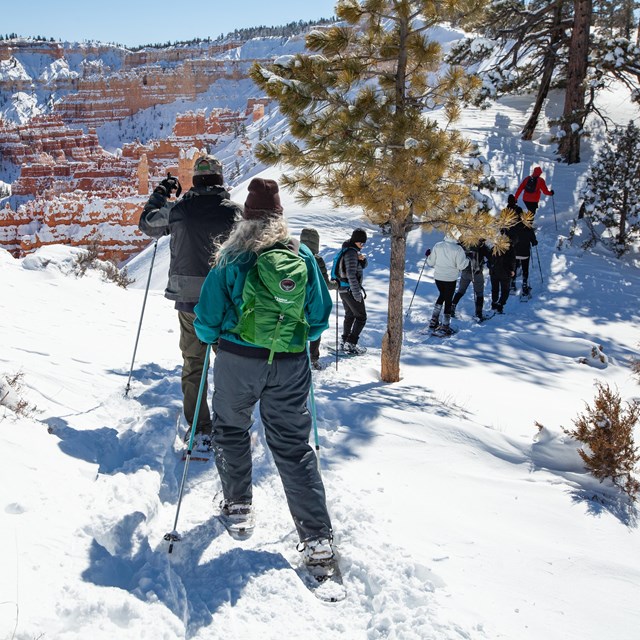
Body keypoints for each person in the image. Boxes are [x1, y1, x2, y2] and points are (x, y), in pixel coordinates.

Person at [193, 178, 336, 573]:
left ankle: (238, 505)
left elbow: (205, 319)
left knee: (231, 428)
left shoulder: (232, 256)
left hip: (238, 359)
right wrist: (293, 340)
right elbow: (319, 317)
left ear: (246, 218)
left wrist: (215, 339)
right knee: (293, 446)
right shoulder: (301, 254)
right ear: (280, 218)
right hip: (290, 364)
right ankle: (317, 540)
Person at [138, 155, 242, 446]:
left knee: (194, 364)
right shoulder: (235, 213)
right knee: (230, 364)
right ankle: (231, 423)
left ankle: (199, 426)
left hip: (189, 302)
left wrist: (161, 192)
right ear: (220, 180)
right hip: (226, 302)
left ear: (194, 180)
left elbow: (147, 223)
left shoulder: (179, 210)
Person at [300, 227, 337, 370]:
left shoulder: (295, 254)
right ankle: (313, 359)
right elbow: (325, 284)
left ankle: (299, 355)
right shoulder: (317, 259)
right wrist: (337, 285)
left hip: (298, 299)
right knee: (315, 327)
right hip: (314, 301)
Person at [426, 235, 469, 334]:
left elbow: (431, 262)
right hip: (450, 279)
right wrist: (467, 260)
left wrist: (428, 255)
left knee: (442, 295)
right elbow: (461, 266)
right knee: (448, 299)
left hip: (438, 278)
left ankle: (434, 320)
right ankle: (445, 325)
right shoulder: (458, 249)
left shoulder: (438, 245)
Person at [336, 228, 369, 354]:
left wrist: (362, 259)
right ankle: (351, 343)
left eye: (364, 243)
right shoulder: (351, 253)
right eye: (361, 242)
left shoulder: (351, 251)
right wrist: (356, 293)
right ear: (355, 241)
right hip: (350, 290)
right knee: (361, 317)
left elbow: (362, 266)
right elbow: (350, 274)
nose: (362, 245)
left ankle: (345, 342)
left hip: (344, 289)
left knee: (350, 315)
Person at [451, 239, 491, 321]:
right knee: (479, 293)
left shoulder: (463, 243)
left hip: (465, 272)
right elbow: (490, 256)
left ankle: (452, 308)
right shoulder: (481, 245)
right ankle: (479, 314)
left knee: (460, 291)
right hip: (477, 273)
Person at [507, 196, 538, 296]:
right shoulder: (528, 227)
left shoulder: (513, 227)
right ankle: (524, 286)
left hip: (515, 253)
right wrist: (533, 241)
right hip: (525, 253)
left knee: (514, 268)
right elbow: (534, 241)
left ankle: (512, 284)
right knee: (525, 269)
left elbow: (508, 236)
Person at [488, 229, 516, 313]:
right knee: (505, 289)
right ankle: (500, 304)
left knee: (495, 288)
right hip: (505, 271)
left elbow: (490, 257)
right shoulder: (510, 248)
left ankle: (494, 303)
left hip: (494, 271)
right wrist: (512, 270)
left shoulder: (495, 247)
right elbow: (512, 260)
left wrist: (490, 267)